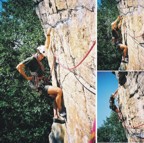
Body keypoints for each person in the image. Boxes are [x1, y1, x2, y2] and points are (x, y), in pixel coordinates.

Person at [16, 28, 66, 123]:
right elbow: (18, 66)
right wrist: (26, 77)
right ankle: (61, 111)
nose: (43, 57)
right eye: (42, 56)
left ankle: (56, 116)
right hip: (39, 85)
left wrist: (48, 35)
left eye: (43, 56)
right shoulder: (31, 59)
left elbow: (46, 46)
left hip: (41, 82)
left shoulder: (39, 57)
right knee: (59, 91)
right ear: (38, 53)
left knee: (55, 95)